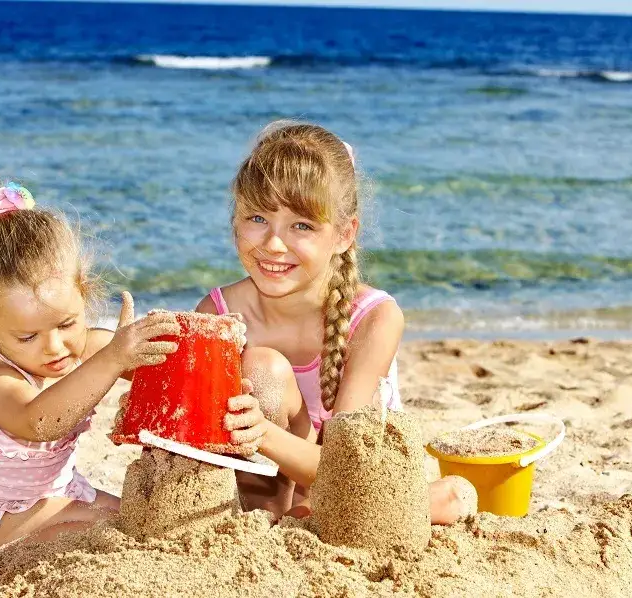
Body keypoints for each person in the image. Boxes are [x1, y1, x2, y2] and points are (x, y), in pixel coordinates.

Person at [197, 122, 474, 524]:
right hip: (267, 498)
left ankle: (328, 513)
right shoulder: (218, 313)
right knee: (262, 370)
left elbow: (344, 470)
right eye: (257, 217)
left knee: (451, 494)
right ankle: (279, 519)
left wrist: (262, 432)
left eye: (302, 226)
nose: (273, 244)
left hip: (351, 480)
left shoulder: (374, 318)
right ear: (234, 220)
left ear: (344, 234)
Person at [0, 182, 180, 554]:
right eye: (27, 337)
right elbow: (38, 423)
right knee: (100, 530)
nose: (54, 347)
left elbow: (163, 372)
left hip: (56, 492)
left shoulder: (93, 347)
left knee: (136, 516)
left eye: (66, 324)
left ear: (83, 294)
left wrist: (160, 353)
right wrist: (113, 359)